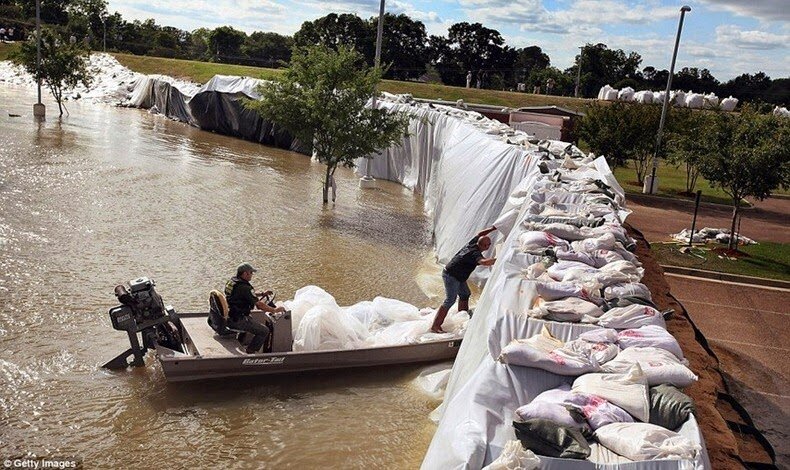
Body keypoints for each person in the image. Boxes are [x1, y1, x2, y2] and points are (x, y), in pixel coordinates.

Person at [431, 226, 497, 333]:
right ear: (483, 246)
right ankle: (436, 325)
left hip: (459, 276)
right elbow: (484, 262)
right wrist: (498, 259)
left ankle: (462, 316)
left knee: (465, 294)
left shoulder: (473, 243)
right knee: (450, 300)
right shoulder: (475, 253)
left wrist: (493, 228)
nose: (489, 246)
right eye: (488, 244)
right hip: (451, 276)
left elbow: (479, 233)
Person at [225, 262, 286, 354]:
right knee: (264, 331)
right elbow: (259, 305)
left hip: (231, 315)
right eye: (251, 273)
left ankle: (240, 342)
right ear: (245, 273)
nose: (252, 275)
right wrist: (274, 310)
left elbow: (244, 295)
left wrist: (262, 294)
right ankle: (250, 351)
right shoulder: (245, 287)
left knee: (250, 320)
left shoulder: (232, 282)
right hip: (238, 319)